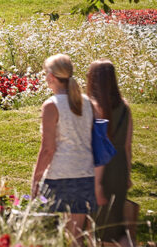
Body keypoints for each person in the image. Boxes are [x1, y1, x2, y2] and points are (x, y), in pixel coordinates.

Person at [32, 53, 95, 247]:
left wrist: (36, 178)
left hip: (62, 176)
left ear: (51, 76)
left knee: (54, 236)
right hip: (86, 173)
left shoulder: (52, 105)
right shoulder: (87, 102)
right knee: (76, 236)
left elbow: (48, 149)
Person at [87, 60, 135, 247]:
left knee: (100, 228)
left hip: (99, 171)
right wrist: (128, 175)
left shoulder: (91, 108)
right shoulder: (125, 108)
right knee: (116, 226)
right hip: (119, 170)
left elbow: (95, 146)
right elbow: (127, 147)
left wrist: (97, 183)